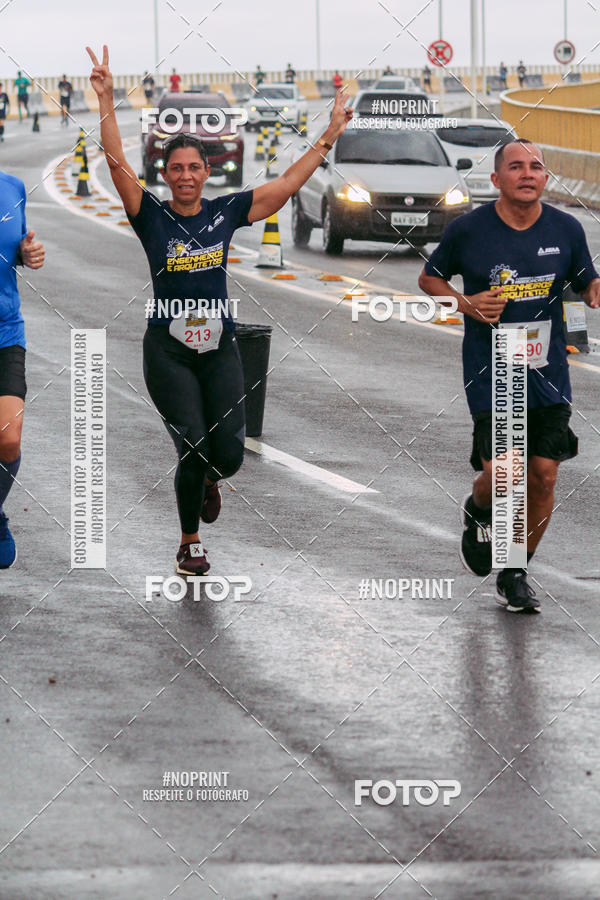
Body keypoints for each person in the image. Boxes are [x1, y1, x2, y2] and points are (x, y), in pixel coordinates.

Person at [87, 44, 353, 575]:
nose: (185, 176)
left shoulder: (226, 213)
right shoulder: (151, 216)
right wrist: (107, 100)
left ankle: (213, 479)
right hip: (168, 350)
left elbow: (283, 188)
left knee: (227, 456)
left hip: (219, 347)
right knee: (191, 444)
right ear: (165, 175)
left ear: (207, 172)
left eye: (193, 167)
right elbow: (117, 165)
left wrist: (329, 135)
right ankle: (190, 542)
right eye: (175, 168)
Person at [418, 139, 600, 613]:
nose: (527, 173)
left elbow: (584, 281)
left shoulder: (566, 228)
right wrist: (466, 304)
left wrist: (594, 287)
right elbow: (430, 278)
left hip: (548, 374)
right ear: (496, 179)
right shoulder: (469, 230)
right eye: (515, 166)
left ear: (545, 178)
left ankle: (515, 569)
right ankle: (478, 509)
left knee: (541, 477)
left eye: (536, 166)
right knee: (503, 477)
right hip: (491, 372)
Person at [0, 170, 45, 567]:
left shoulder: (12, 187)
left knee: (8, 439)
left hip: (5, 332)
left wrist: (29, 255)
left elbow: (20, 249)